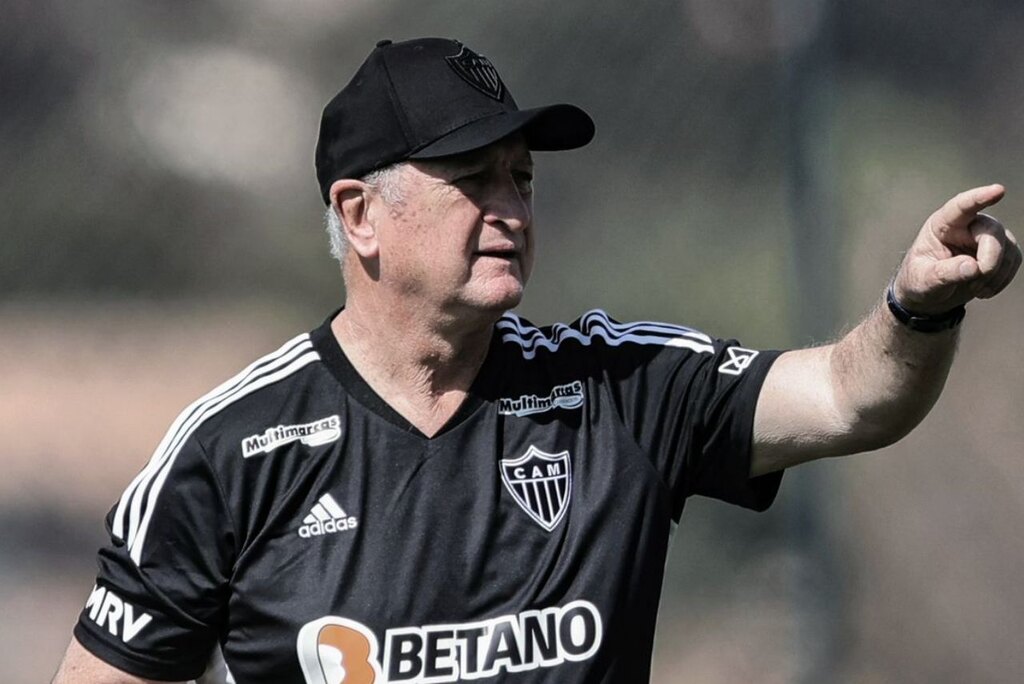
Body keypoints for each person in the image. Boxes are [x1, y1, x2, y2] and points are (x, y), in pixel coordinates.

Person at [52, 37, 1020, 684]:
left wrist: (914, 309)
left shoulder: (621, 387)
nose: (509, 207)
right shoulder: (231, 451)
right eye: (472, 179)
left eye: (520, 178)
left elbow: (853, 400)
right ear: (359, 215)